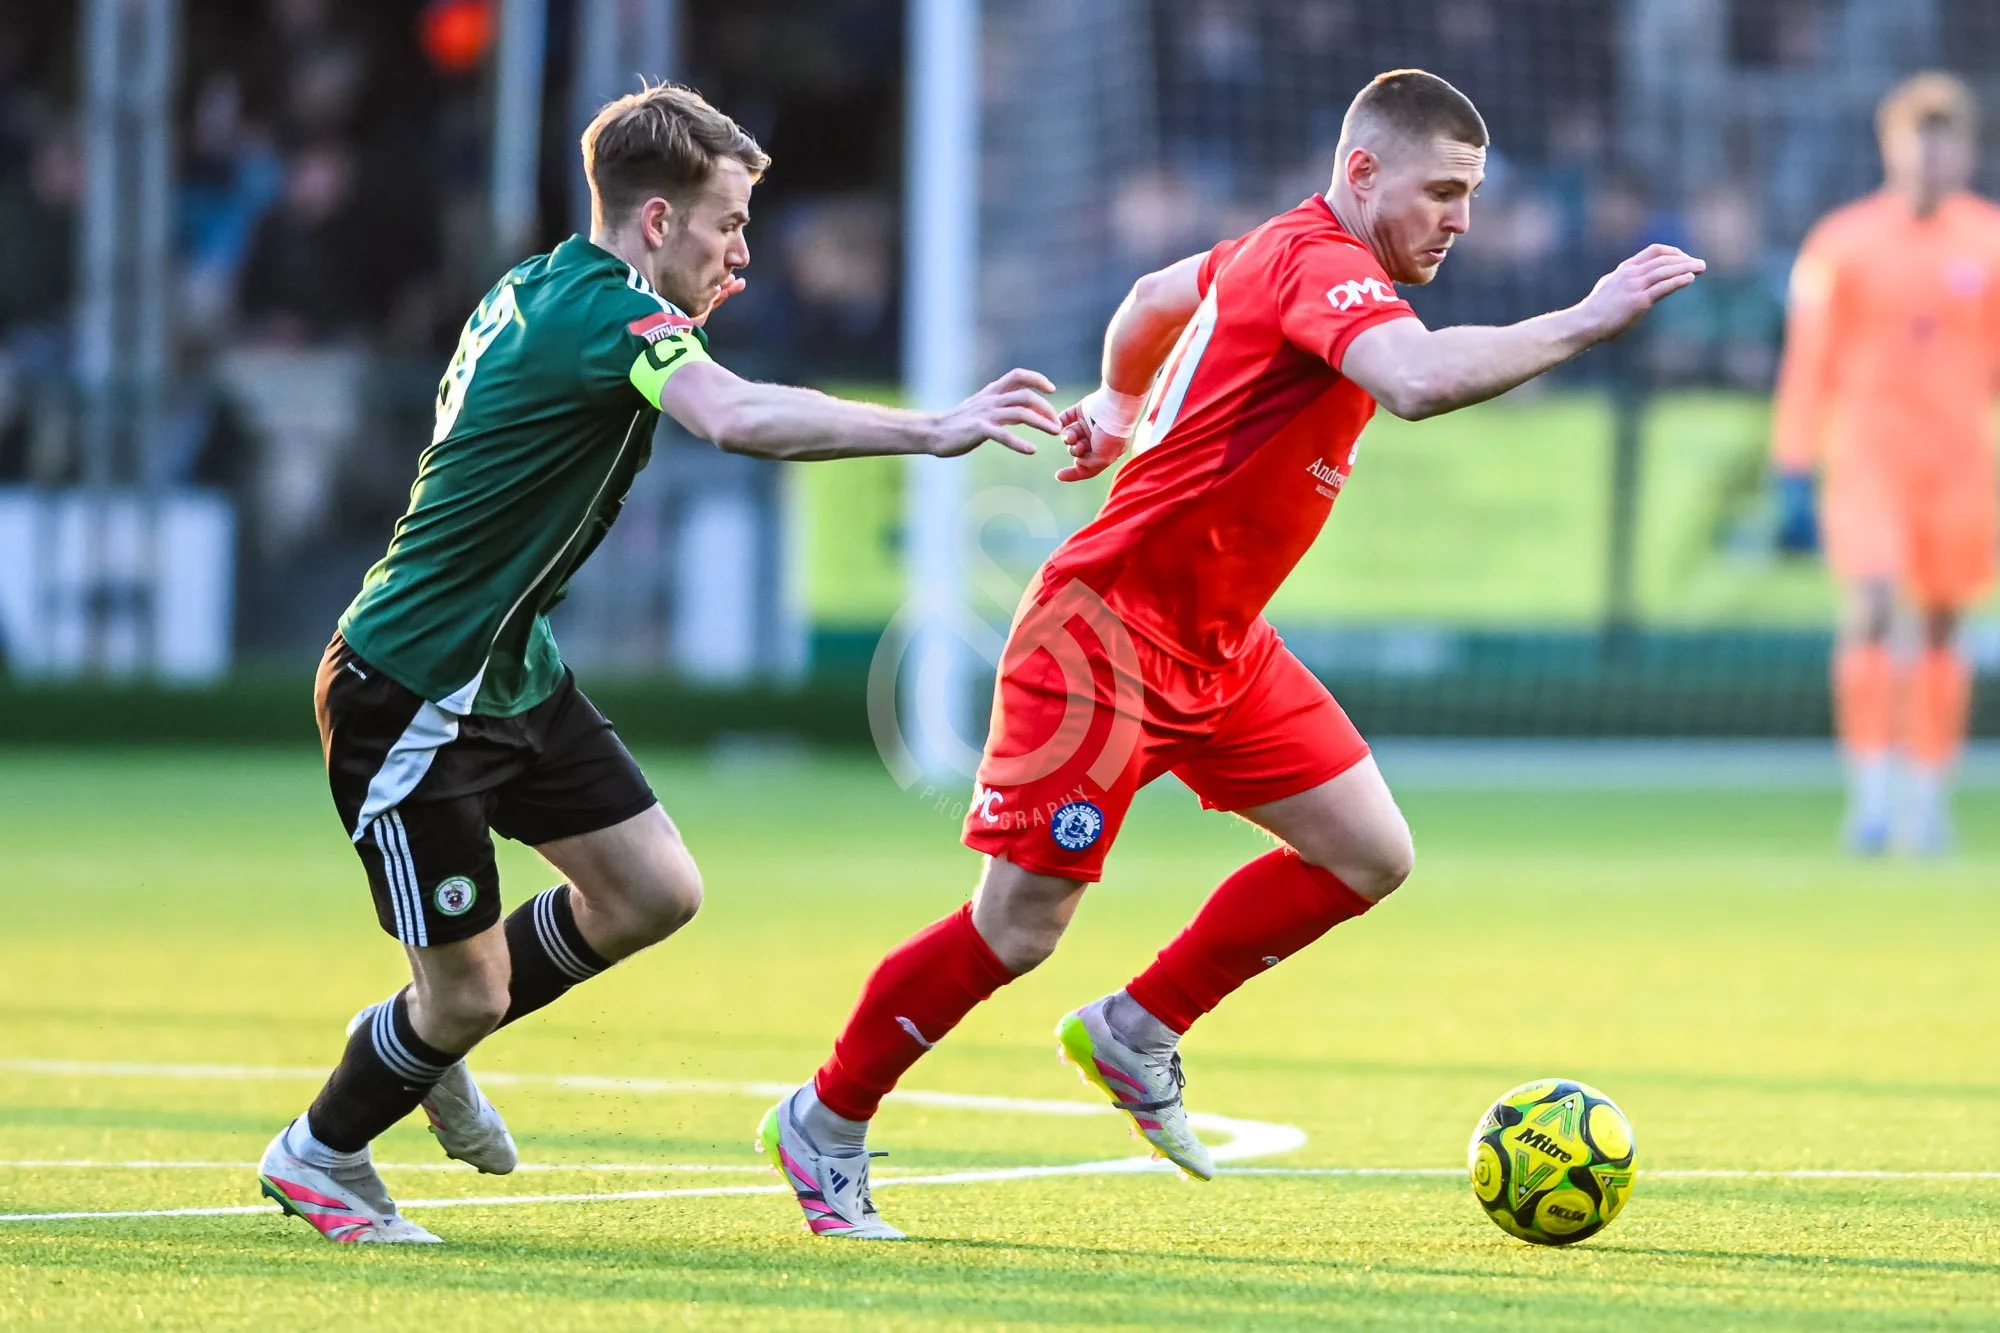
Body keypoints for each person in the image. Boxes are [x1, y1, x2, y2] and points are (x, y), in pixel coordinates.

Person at [759, 68, 1703, 1240]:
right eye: (1441, 191)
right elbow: (1411, 385)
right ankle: (825, 1118)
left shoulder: (1271, 249)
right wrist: (1586, 316)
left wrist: (1112, 399)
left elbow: (1157, 293)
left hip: (1219, 646)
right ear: (1360, 174)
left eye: (1469, 194)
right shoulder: (1323, 263)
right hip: (1101, 635)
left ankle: (1136, 1028)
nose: (1459, 218)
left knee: (1366, 853)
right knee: (1016, 927)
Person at [256, 82, 1061, 1244]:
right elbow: (730, 418)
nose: (739, 250)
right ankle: (322, 1151)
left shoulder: (542, 285)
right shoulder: (610, 319)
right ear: (653, 224)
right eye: (726, 223)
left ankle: (419, 1036)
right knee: (471, 990)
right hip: (414, 687)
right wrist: (930, 428)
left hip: (509, 668)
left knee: (651, 891)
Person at [1771, 72, 2000, 854]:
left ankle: (1927, 797)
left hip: (1960, 463)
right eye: (1919, 143)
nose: (1932, 161)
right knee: (1870, 601)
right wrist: (1792, 463)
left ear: (1966, 151)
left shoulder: (1990, 241)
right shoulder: (1841, 242)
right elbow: (1808, 362)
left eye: (1947, 144)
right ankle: (1868, 796)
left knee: (1942, 622)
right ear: (1891, 146)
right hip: (1870, 456)